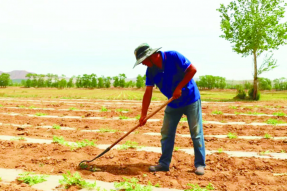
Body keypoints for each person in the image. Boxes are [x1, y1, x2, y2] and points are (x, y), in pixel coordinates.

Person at [133, 43, 206, 175]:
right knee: (166, 132)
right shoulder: (151, 71)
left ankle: (200, 164)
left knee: (196, 133)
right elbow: (148, 92)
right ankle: (164, 163)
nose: (142, 64)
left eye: (143, 61)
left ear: (151, 56)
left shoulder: (173, 56)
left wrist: (179, 87)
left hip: (190, 99)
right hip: (173, 103)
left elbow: (192, 70)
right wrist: (143, 115)